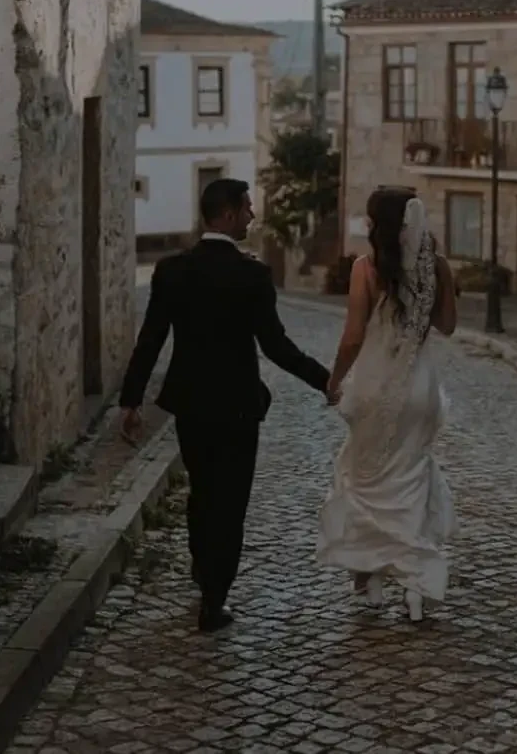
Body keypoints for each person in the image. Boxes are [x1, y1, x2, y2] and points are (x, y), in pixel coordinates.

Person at [118, 178, 333, 632]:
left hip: (191, 404)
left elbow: (151, 337)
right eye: (248, 208)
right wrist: (326, 381)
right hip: (237, 407)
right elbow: (276, 347)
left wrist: (130, 400)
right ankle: (213, 600)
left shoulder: (172, 270)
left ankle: (203, 568)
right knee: (230, 503)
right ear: (230, 214)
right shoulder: (251, 275)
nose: (253, 216)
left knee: (202, 491)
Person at [316, 186, 458, 622]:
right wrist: (442, 284)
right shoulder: (436, 267)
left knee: (365, 480)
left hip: (376, 389)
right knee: (409, 479)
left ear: (379, 224)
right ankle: (415, 587)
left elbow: (354, 337)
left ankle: (371, 580)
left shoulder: (365, 268)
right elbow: (449, 327)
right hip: (419, 389)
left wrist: (333, 382)